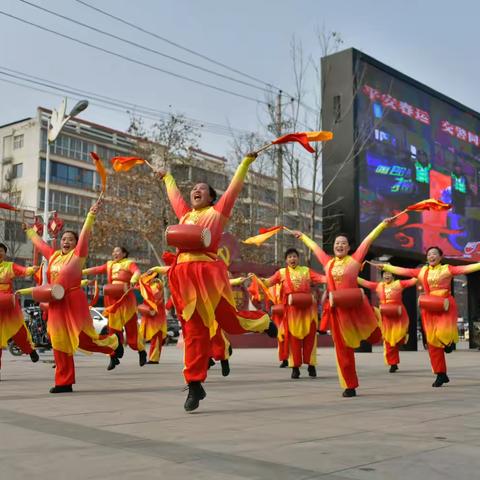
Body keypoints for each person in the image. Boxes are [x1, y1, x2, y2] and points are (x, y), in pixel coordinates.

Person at [156, 151, 275, 412]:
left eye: (202, 189)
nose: (196, 190)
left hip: (210, 277)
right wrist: (166, 177)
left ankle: (264, 321)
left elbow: (233, 190)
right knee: (194, 332)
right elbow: (174, 196)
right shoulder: (184, 216)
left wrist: (245, 163)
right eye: (194, 189)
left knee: (229, 321)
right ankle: (195, 383)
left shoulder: (217, 214)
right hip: (185, 280)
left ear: (211, 197)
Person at [23, 199, 122, 393]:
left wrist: (90, 215)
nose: (66, 241)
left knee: (84, 339)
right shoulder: (53, 256)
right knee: (59, 341)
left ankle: (113, 344)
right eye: (64, 239)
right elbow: (39, 243)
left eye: (70, 239)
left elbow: (85, 235)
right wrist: (28, 230)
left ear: (76, 244)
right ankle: (63, 382)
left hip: (74, 301)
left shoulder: (78, 255)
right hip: (56, 303)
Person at [294, 218, 393, 397]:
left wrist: (383, 225)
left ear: (348, 248)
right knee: (343, 349)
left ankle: (377, 327)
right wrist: (303, 237)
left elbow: (367, 241)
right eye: (337, 243)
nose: (339, 245)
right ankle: (350, 385)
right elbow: (315, 249)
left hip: (357, 308)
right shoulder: (328, 263)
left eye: (343, 243)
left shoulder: (354, 260)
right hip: (338, 312)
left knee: (373, 336)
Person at [379, 246, 480, 387]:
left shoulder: (447, 269)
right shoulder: (422, 271)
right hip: (429, 308)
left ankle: (448, 343)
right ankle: (441, 374)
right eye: (429, 254)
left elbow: (466, 269)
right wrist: (385, 266)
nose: (431, 256)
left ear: (440, 257)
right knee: (432, 343)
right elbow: (405, 271)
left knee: (443, 332)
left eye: (434, 254)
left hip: (444, 306)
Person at [264, 248, 326, 379]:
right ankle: (295, 367)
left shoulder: (306, 271)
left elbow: (321, 278)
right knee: (294, 340)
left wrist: (334, 277)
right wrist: (256, 280)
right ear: (286, 260)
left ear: (298, 258)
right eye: (290, 257)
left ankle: (311, 365)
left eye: (295, 256)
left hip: (309, 311)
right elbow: (268, 282)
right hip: (292, 312)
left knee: (310, 339)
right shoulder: (281, 273)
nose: (292, 259)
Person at [83, 246, 146, 370]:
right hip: (112, 300)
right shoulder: (109, 264)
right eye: (113, 251)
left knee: (132, 331)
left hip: (126, 299)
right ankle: (113, 357)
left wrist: (134, 279)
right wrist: (82, 271)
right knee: (113, 332)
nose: (114, 253)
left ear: (124, 253)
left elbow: (137, 271)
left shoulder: (129, 263)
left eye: (117, 251)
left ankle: (141, 351)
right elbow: (96, 269)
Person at [358, 270, 417, 373]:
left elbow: (413, 281)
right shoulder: (379, 286)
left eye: (389, 274)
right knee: (389, 341)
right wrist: (352, 275)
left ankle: (402, 340)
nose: (387, 275)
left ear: (393, 276)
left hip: (399, 315)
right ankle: (393, 363)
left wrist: (423, 273)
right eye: (385, 274)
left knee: (399, 337)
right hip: (386, 316)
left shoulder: (399, 284)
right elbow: (365, 283)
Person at [0, 243, 39, 379]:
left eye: (1, 251)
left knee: (18, 332)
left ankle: (30, 350)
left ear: (4, 254)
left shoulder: (9, 266)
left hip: (9, 304)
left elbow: (22, 270)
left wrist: (31, 270)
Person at [138, 276, 167, 364]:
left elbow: (154, 296)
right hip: (149, 313)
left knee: (156, 337)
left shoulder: (157, 284)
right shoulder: (149, 285)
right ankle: (147, 355)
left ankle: (154, 359)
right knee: (142, 335)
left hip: (156, 314)